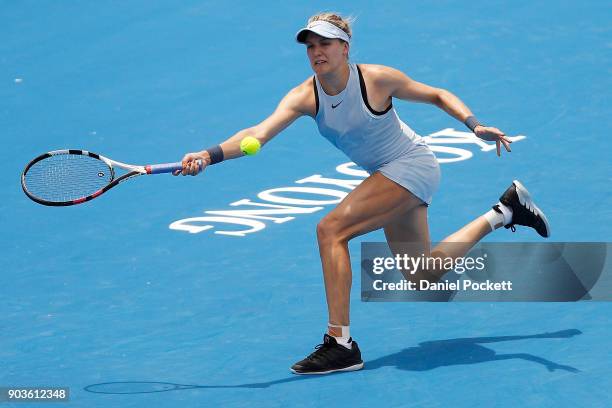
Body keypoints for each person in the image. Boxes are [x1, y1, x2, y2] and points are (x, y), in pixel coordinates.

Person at [175, 12, 550, 375]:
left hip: (411, 164)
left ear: (345, 48)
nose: (316, 51)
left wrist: (475, 124)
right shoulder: (304, 96)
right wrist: (209, 155)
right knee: (422, 275)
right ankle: (506, 210)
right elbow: (258, 133)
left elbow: (435, 94)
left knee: (331, 230)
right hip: (388, 176)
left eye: (325, 43)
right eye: (310, 46)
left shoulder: (376, 80)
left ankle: (340, 343)